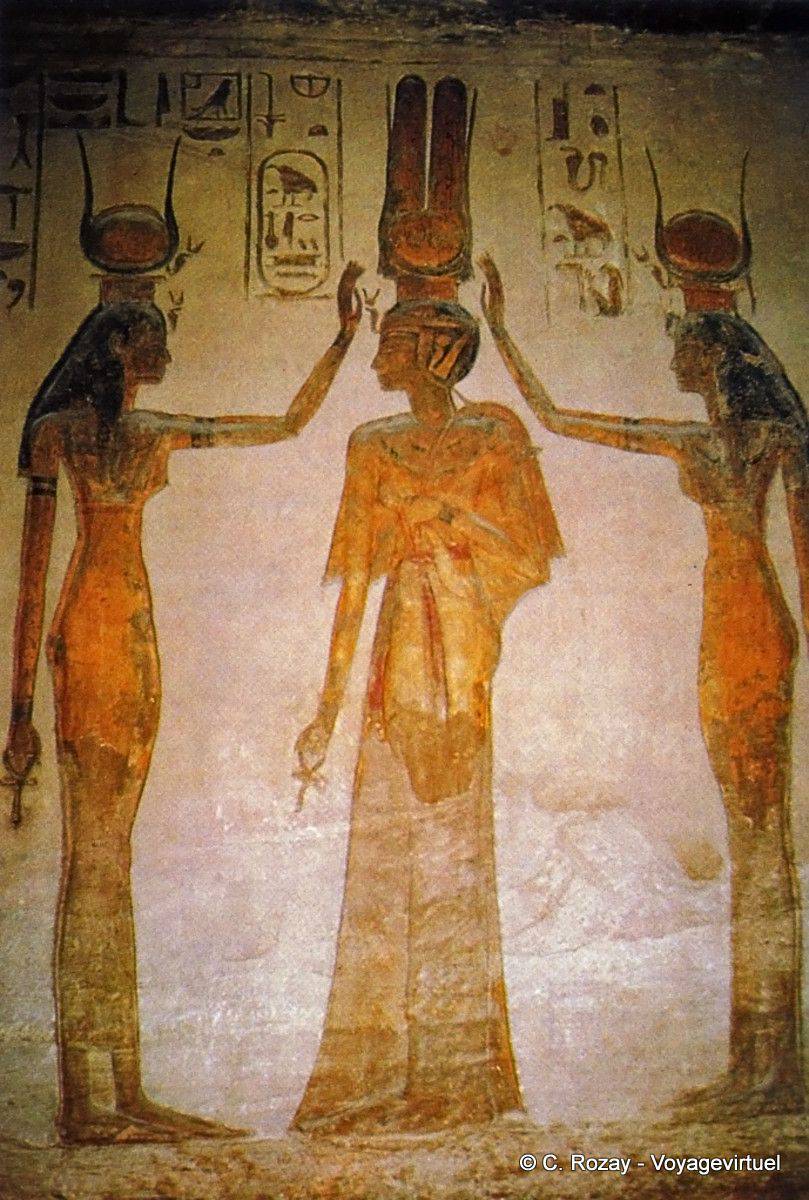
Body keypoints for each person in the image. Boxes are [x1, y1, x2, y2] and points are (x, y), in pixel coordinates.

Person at [3, 263, 363, 1144]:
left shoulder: (146, 430)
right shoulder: (59, 434)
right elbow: (33, 572)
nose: (166, 348)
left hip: (132, 634)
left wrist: (342, 338)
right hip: (94, 637)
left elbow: (281, 426)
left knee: (110, 862)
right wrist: (18, 712)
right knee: (93, 864)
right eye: (154, 335)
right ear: (121, 345)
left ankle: (123, 1093)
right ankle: (87, 1103)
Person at [479, 252, 808, 1117]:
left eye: (683, 350)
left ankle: (769, 1069)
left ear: (715, 360)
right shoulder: (755, 437)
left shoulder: (721, 442)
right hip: (740, 622)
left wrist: (505, 332)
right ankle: (759, 1064)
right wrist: (501, 332)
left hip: (745, 632)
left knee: (758, 837)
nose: (671, 362)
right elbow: (558, 420)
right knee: (755, 838)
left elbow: (558, 420)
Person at [293, 297, 563, 1133]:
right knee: (391, 860)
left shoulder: (493, 436)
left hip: (464, 648)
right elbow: (356, 582)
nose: (381, 360)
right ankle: (389, 1075)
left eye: (394, 345)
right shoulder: (370, 444)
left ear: (436, 354)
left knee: (453, 856)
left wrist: (449, 517)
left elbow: (528, 557)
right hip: (400, 645)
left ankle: (458, 1078)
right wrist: (327, 706)